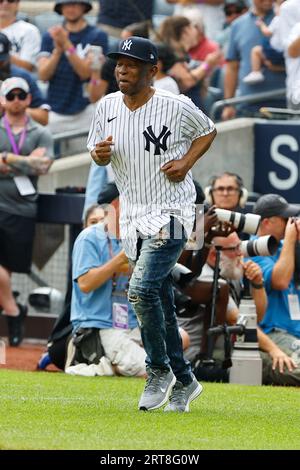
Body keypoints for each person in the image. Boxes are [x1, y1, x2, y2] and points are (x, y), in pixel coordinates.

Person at [88, 36, 216, 412]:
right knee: (157, 298)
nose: (122, 70)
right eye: (118, 63)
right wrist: (99, 154)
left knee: (140, 291)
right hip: (131, 215)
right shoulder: (107, 105)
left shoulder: (175, 105)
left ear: (152, 70)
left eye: (131, 64)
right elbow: (96, 155)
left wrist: (187, 162)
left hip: (175, 212)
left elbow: (208, 130)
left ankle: (158, 370)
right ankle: (186, 380)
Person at [0, 76, 54, 347]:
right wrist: (26, 161)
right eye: (11, 96)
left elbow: (42, 166)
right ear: (3, 100)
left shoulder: (39, 131)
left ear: (29, 99)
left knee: (7, 266)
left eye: (21, 95)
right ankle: (12, 311)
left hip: (21, 208)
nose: (17, 100)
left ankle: (13, 309)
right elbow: (33, 162)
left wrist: (7, 159)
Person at [37, 0, 108, 135]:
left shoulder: (97, 36)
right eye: (67, 4)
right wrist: (57, 51)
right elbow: (43, 75)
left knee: (84, 156)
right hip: (55, 110)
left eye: (75, 4)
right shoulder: (50, 36)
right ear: (61, 7)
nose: (71, 8)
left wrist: (66, 44)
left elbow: (85, 73)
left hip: (85, 109)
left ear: (84, 7)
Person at [250, 194, 300, 384]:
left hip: (294, 330)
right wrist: (290, 240)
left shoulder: (285, 247)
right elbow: (280, 281)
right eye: (285, 219)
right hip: (273, 331)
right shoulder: (252, 248)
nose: (291, 223)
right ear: (267, 222)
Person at [221, 0, 286, 120]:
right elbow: (232, 67)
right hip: (249, 104)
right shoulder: (237, 25)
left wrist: (280, 67)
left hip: (284, 101)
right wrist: (228, 104)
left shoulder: (286, 18)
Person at [0, 32, 49, 126]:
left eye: (1, 61)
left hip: (19, 134)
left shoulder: (21, 76)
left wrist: (14, 106)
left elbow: (43, 117)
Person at [243, 0, 285, 85]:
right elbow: (232, 66)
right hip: (250, 96)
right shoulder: (238, 24)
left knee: (256, 50)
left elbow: (267, 32)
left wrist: (261, 24)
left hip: (276, 52)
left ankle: (256, 72)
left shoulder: (279, 19)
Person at [0, 0, 41, 72]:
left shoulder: (29, 30)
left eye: (10, 0)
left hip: (15, 78)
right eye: (1, 1)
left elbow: (28, 68)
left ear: (17, 4)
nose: (5, 3)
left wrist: (4, 54)